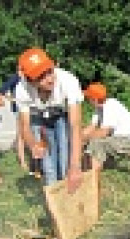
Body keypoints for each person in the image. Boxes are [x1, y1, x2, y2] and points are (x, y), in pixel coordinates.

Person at [14, 47, 84, 192]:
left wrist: (75, 166)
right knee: (47, 164)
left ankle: (67, 194)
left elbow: (75, 125)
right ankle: (53, 195)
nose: (49, 78)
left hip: (60, 116)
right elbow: (25, 127)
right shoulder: (21, 90)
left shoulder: (68, 81)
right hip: (37, 118)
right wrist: (33, 145)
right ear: (30, 80)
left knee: (66, 160)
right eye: (41, 76)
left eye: (50, 71)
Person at [82, 82, 130, 177]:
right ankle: (85, 173)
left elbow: (104, 132)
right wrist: (79, 138)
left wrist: (86, 138)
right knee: (88, 143)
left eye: (89, 98)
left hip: (129, 141)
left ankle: (94, 176)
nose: (87, 100)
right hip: (117, 140)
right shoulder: (99, 108)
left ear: (95, 99)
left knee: (97, 143)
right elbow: (91, 128)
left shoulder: (110, 106)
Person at [0, 71, 43, 177]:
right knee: (21, 135)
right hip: (19, 109)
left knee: (34, 135)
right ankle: (23, 162)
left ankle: (34, 162)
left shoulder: (33, 77)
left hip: (31, 110)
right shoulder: (16, 77)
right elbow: (2, 90)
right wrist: (13, 100)